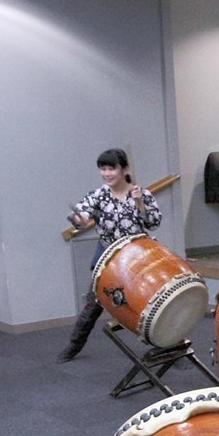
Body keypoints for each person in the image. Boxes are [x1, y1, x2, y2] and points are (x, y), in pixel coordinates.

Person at [60, 148, 160, 362]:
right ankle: (73, 346)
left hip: (137, 256)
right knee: (93, 303)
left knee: (156, 301)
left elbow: (154, 223)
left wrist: (140, 202)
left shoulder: (141, 193)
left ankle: (170, 346)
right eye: (102, 169)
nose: (106, 174)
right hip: (109, 257)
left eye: (111, 168)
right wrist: (79, 220)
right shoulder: (98, 195)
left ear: (124, 169)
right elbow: (82, 215)